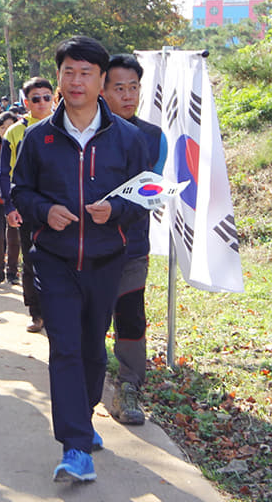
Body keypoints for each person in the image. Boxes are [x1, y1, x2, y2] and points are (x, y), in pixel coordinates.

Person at [11, 36, 149, 483]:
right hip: (54, 259)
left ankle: (83, 417)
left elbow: (144, 194)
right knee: (65, 347)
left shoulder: (128, 138)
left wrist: (118, 211)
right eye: (68, 71)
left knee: (92, 347)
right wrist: (43, 212)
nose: (75, 80)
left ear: (102, 80)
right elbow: (20, 191)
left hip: (107, 259)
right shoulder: (39, 138)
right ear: (58, 77)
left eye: (86, 73)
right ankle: (74, 446)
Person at [101, 53, 167, 427]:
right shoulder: (88, 131)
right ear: (103, 90)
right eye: (119, 88)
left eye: (134, 88)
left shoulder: (153, 136)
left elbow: (148, 192)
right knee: (90, 320)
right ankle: (92, 384)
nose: (128, 95)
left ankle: (129, 387)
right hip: (86, 249)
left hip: (131, 247)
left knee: (130, 316)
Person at [0, 76, 56, 333]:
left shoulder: (64, 126)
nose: (42, 102)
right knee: (31, 259)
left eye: (47, 97)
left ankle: (58, 312)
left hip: (59, 207)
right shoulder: (14, 132)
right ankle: (37, 313)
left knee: (58, 262)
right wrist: (9, 207)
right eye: (36, 98)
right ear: (26, 102)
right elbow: (3, 173)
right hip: (26, 207)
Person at [0, 111, 22, 286]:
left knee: (14, 237)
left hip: (14, 199)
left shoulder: (22, 147)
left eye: (10, 126)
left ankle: (13, 271)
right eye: (2, 127)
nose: (6, 130)